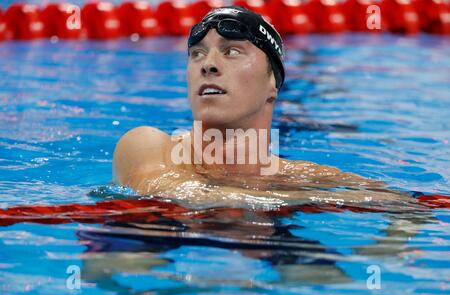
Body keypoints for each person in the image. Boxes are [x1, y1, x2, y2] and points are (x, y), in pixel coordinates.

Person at [112, 6, 420, 210]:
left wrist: (391, 245)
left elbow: (410, 207)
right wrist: (309, 198)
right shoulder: (150, 145)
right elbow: (177, 194)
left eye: (232, 51)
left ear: (273, 83)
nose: (208, 65)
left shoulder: (300, 175)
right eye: (197, 54)